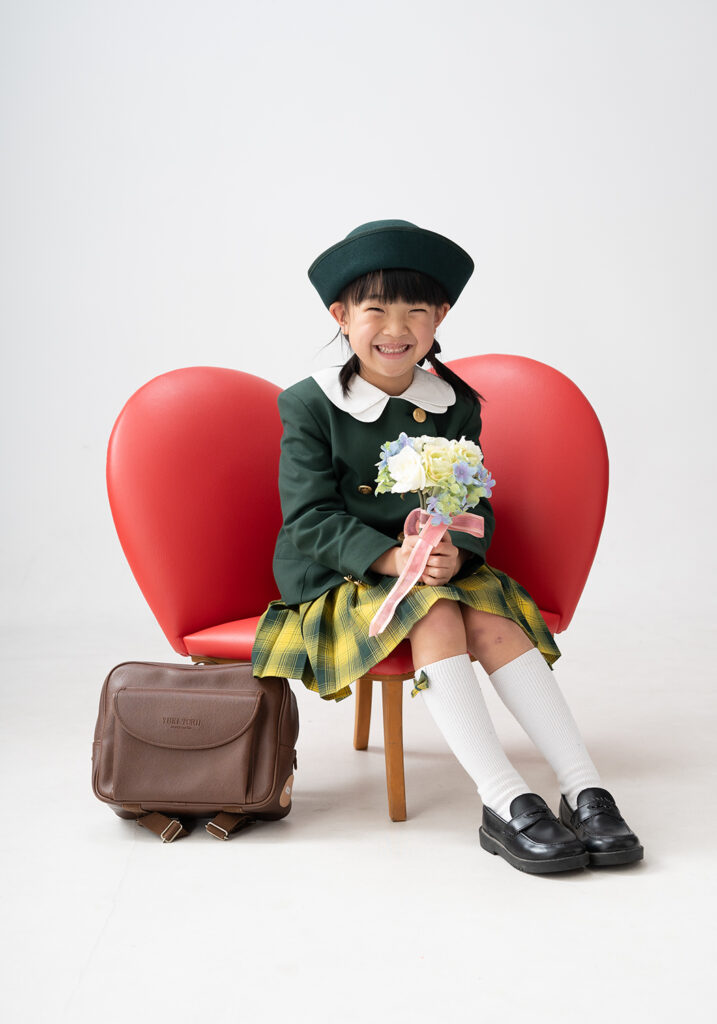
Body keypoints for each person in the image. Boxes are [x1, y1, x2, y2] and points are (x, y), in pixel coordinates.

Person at [251, 218, 643, 874]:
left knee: (490, 618)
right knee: (434, 612)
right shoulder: (311, 405)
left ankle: (584, 789)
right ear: (341, 317)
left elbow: (472, 500)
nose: (396, 328)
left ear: (440, 317)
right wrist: (389, 557)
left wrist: (455, 551)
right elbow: (307, 521)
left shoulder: (454, 402)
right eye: (375, 310)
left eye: (416, 310)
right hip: (341, 572)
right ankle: (504, 800)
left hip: (435, 564)